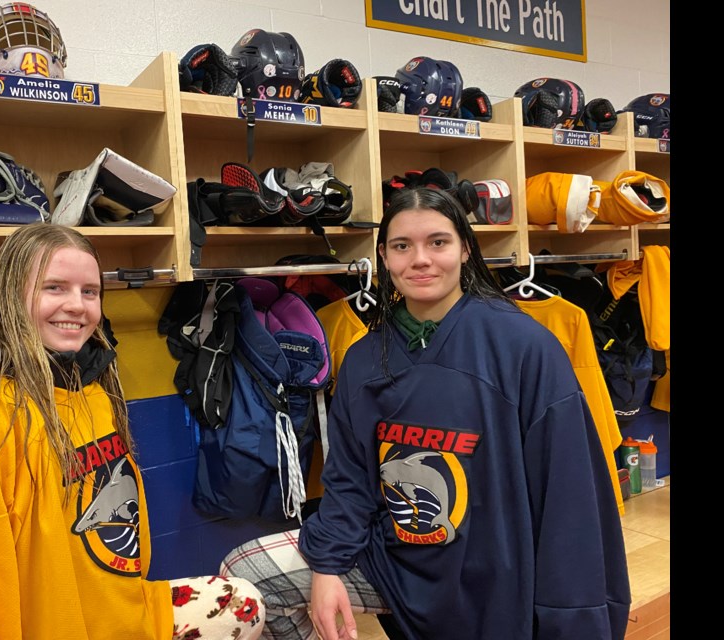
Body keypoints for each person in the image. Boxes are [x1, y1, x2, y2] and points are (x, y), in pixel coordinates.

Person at [219, 186, 630, 640]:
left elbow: (568, 494)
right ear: (384, 256)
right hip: (395, 561)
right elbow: (350, 480)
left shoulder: (523, 347)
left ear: (465, 249)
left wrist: (568, 615)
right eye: (402, 246)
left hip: (500, 570)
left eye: (438, 242)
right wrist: (327, 566)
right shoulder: (364, 358)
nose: (420, 259)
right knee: (245, 575)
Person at [0, 223, 266, 639]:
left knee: (244, 603)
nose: (77, 306)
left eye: (90, 291)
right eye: (54, 288)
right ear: (10, 295)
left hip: (117, 618)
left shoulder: (88, 387)